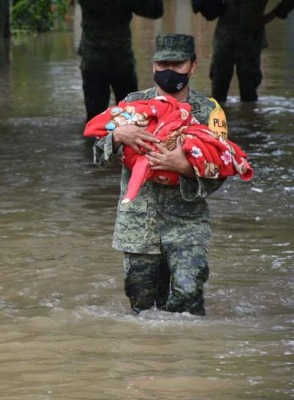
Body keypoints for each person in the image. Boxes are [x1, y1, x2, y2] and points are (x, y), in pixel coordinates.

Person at [87, 34, 225, 316]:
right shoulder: (131, 106)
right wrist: (117, 136)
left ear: (193, 66)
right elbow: (97, 157)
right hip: (139, 224)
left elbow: (221, 170)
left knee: (188, 299)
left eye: (178, 63)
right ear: (152, 66)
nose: (169, 70)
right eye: (163, 63)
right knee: (143, 308)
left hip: (187, 224)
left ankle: (186, 356)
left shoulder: (209, 111)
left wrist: (183, 166)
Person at [77, 0, 164, 121]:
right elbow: (155, 11)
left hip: (94, 60)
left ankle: (94, 139)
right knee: (129, 117)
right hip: (121, 60)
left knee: (95, 120)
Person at [209, 0, 294, 103]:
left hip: (250, 39)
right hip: (225, 37)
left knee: (248, 91)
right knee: (218, 89)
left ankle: (249, 117)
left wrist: (272, 15)